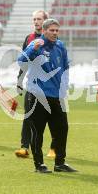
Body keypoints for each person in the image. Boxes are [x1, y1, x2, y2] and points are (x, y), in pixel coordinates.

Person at [17, 18, 77, 173]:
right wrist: (33, 49)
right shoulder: (36, 44)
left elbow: (65, 68)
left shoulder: (60, 46)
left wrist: (64, 89)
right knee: (38, 131)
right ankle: (39, 164)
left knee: (62, 129)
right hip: (37, 95)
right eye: (52, 30)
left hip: (56, 96)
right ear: (44, 31)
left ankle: (60, 163)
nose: (55, 33)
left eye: (57, 30)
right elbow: (21, 61)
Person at [14, 10, 56, 159]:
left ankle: (54, 147)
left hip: (49, 86)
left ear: (45, 21)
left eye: (39, 19)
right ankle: (25, 147)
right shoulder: (29, 38)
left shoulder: (52, 39)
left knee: (52, 118)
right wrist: (19, 80)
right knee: (28, 116)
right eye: (34, 19)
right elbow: (24, 61)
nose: (36, 22)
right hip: (32, 85)